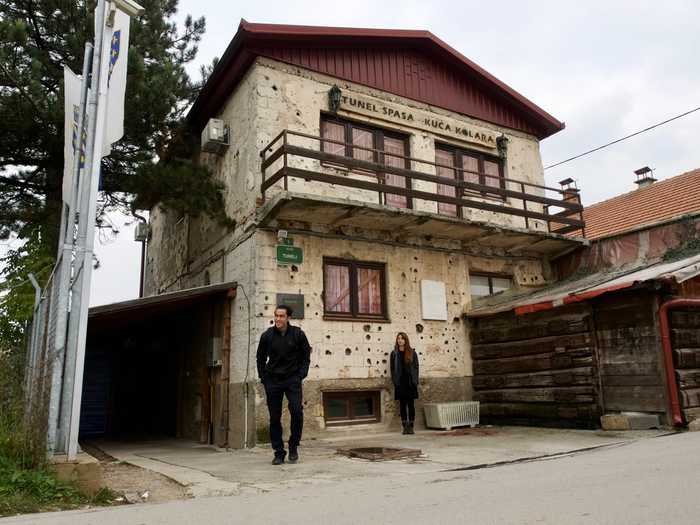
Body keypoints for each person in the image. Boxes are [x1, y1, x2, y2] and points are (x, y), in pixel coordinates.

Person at [256, 305, 311, 465]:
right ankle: (279, 452)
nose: (278, 319)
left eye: (281, 316)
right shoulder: (267, 336)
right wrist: (264, 378)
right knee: (274, 417)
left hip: (292, 379)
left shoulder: (298, 334)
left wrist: (301, 374)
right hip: (272, 380)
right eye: (276, 316)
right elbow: (260, 358)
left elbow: (306, 355)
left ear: (288, 318)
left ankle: (293, 445)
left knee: (296, 411)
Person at [390, 332, 419, 435]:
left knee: (411, 405)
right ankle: (404, 427)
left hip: (410, 382)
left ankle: (411, 427)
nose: (400, 340)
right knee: (402, 405)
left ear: (406, 340)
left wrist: (415, 381)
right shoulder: (394, 353)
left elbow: (416, 367)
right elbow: (392, 369)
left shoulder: (412, 352)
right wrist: (395, 381)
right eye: (398, 338)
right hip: (400, 383)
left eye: (402, 338)